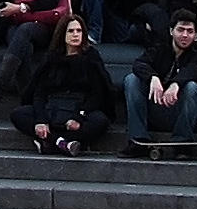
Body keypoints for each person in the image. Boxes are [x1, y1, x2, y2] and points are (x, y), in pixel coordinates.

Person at [10, 15, 117, 156]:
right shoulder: (52, 58)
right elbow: (39, 92)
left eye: (79, 31)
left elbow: (97, 94)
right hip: (52, 107)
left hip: (79, 108)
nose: (75, 35)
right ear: (63, 34)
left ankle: (50, 143)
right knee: (18, 115)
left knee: (100, 121)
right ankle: (62, 143)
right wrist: (41, 120)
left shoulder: (91, 57)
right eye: (71, 31)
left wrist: (78, 117)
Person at [127, 7, 197, 147]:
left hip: (188, 114)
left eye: (190, 31)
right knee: (131, 80)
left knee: (192, 87)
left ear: (195, 35)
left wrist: (176, 84)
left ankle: (182, 144)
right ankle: (138, 139)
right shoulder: (160, 47)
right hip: (159, 109)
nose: (185, 35)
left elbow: (196, 69)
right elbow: (139, 64)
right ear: (171, 31)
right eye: (180, 30)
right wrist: (153, 78)